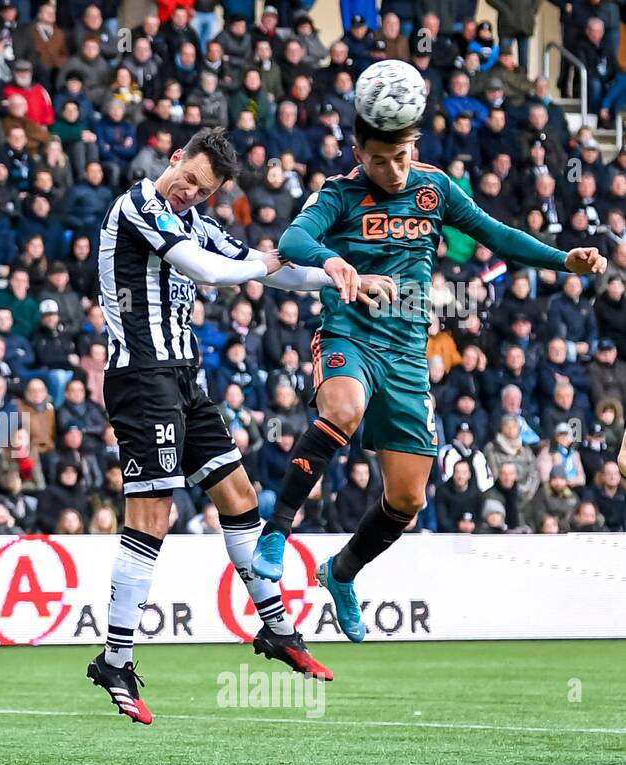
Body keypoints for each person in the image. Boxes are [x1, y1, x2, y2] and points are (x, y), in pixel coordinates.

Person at [254, 110, 607, 641]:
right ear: (358, 154)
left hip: (408, 355)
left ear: (413, 146)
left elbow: (499, 236)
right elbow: (294, 240)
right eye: (379, 160)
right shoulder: (338, 192)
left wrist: (564, 261)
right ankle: (276, 531)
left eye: (401, 157)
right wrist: (336, 263)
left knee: (408, 500)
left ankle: (341, 571)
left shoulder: (434, 188)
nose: (394, 170)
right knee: (343, 410)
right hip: (349, 332)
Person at [88, 128, 390, 722]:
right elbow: (208, 269)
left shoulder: (192, 218)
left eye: (202, 193)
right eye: (187, 181)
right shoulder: (139, 206)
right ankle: (115, 659)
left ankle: (277, 630)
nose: (188, 195)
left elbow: (267, 271)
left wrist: (341, 278)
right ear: (173, 159)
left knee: (239, 494)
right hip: (141, 377)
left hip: (183, 377)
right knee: (154, 512)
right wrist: (266, 262)